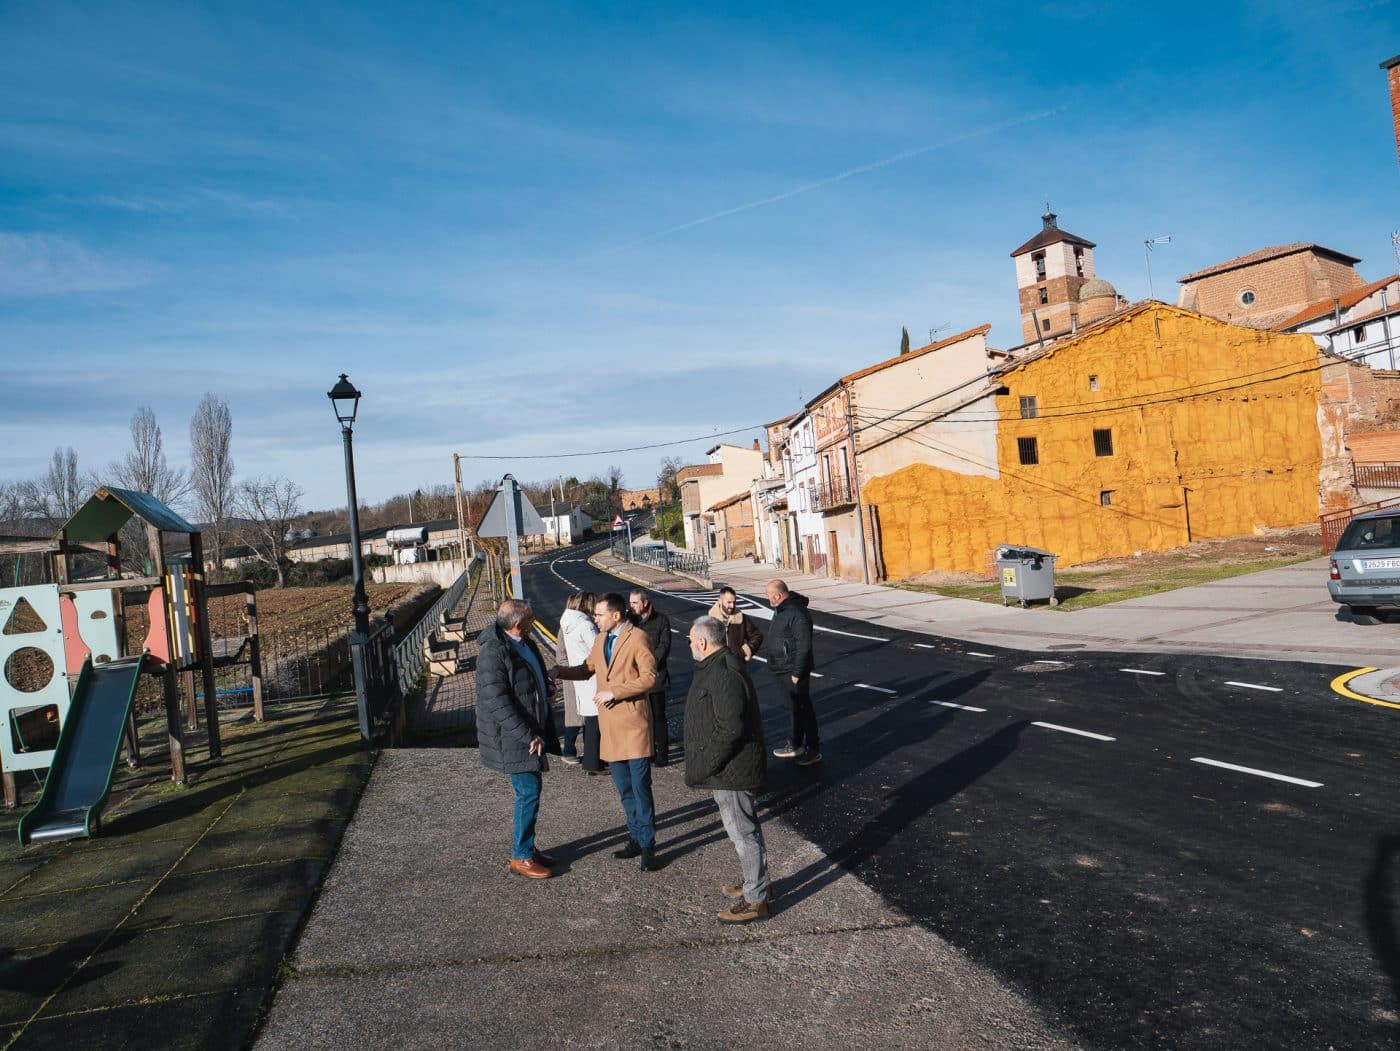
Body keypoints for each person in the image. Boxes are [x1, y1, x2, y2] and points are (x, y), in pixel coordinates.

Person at [554, 592, 661, 871]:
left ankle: (649, 845)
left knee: (640, 788)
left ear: (616, 615)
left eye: (599, 615)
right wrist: (559, 672)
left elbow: (650, 677)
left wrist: (615, 691)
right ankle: (636, 838)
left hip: (634, 726)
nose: (595, 618)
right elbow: (588, 668)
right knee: (624, 789)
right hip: (610, 728)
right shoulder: (601, 640)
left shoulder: (637, 638)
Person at [684, 615, 771, 924]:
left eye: (692, 639)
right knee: (743, 828)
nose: (690, 643)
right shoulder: (718, 665)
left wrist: (709, 762)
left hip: (731, 768)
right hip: (728, 767)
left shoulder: (723, 672)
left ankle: (755, 898)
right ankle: (755, 882)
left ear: (704, 642)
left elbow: (730, 729)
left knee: (742, 832)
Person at [475, 599, 560, 879]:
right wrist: (527, 735)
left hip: (530, 730)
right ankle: (521, 856)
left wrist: (545, 689)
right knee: (528, 792)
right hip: (514, 737)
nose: (534, 621)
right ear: (516, 624)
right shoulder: (494, 653)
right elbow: (497, 702)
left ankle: (527, 847)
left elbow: (530, 677)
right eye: (530, 618)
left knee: (531, 790)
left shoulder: (524, 642)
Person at [759, 578, 820, 766]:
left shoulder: (795, 612)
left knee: (803, 709)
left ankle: (812, 749)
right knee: (795, 708)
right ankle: (795, 744)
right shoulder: (782, 609)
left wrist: (797, 671)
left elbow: (804, 645)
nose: (767, 598)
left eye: (769, 595)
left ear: (778, 595)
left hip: (792, 670)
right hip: (783, 667)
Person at [556, 592, 601, 770]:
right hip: (577, 673)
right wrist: (573, 669)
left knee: (581, 715)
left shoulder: (569, 624)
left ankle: (575, 751)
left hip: (577, 672)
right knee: (578, 715)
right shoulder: (580, 626)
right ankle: (571, 750)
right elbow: (562, 654)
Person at [628, 589, 672, 766]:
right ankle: (648, 750)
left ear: (645, 603)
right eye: (630, 603)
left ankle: (663, 753)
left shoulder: (661, 620)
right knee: (642, 718)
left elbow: (664, 646)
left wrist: (649, 664)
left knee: (658, 717)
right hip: (636, 679)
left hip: (656, 678)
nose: (631, 606)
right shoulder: (631, 620)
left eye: (635, 603)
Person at [706, 586, 764, 664]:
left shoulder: (741, 618)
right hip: (716, 667)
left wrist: (745, 651)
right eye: (729, 602)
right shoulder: (710, 620)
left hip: (736, 667)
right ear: (720, 601)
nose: (732, 606)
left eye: (734, 602)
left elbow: (757, 636)